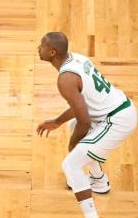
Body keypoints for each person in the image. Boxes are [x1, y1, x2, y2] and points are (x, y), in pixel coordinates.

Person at [36, 32, 135, 218]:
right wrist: (57, 121)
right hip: (120, 108)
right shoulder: (77, 59)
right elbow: (81, 106)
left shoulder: (65, 79)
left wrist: (74, 146)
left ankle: (91, 216)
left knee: (71, 164)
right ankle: (98, 180)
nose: (38, 47)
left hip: (117, 120)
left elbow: (86, 121)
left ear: (52, 52)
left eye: (42, 45)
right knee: (73, 126)